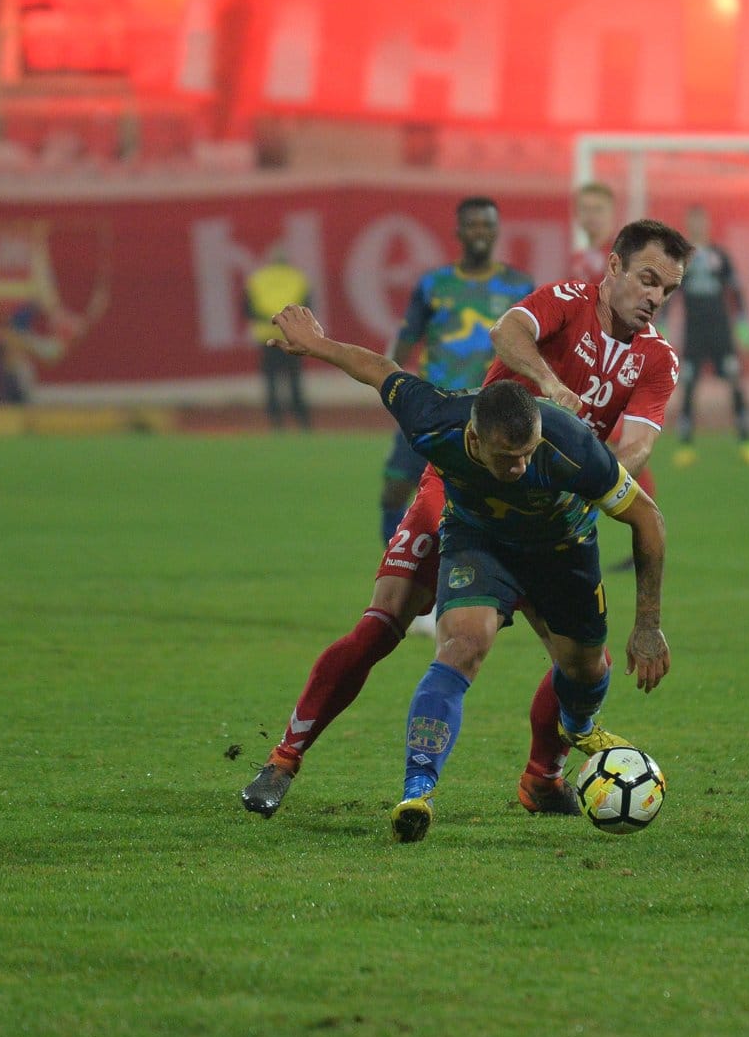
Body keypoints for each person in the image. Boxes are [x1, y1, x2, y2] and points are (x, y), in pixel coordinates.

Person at [242, 219, 686, 820]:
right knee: (386, 622)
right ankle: (284, 760)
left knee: (586, 666)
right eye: (647, 279)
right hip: (465, 486)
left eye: (668, 289)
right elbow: (506, 335)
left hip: (554, 503)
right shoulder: (563, 302)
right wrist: (550, 385)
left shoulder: (657, 360)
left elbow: (634, 451)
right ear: (613, 269)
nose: (656, 297)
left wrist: (589, 477)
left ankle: (542, 776)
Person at [378, 197, 533, 544]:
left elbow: (534, 347)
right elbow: (404, 342)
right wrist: (393, 392)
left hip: (488, 409)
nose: (480, 232)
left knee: (496, 498)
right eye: (473, 225)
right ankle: (398, 574)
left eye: (487, 225)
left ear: (496, 232)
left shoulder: (519, 287)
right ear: (459, 231)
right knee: (394, 490)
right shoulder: (434, 284)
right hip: (430, 403)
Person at [672, 205, 749, 469]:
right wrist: (662, 326)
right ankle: (686, 445)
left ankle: (747, 443)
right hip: (694, 332)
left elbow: (735, 292)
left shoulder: (720, 256)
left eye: (702, 220)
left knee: (735, 383)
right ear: (688, 223)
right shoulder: (681, 258)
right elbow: (671, 295)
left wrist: (743, 327)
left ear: (708, 223)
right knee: (689, 385)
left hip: (720, 331)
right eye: (693, 221)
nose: (698, 225)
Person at [244, 246, 311, 430]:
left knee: (271, 380)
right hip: (292, 335)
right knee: (295, 380)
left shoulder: (258, 279)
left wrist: (269, 319)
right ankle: (302, 421)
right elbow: (307, 307)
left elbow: (248, 309)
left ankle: (275, 422)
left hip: (266, 336)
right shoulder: (297, 278)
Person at [568, 180, 617, 283]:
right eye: (585, 209)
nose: (591, 215)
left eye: (598, 209)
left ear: (612, 211)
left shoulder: (621, 256)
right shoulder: (576, 259)